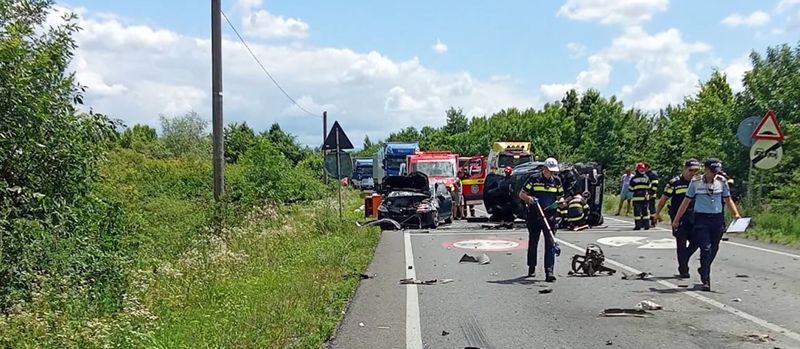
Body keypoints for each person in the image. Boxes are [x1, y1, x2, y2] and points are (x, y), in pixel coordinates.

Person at [673, 158, 741, 292]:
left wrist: (736, 214)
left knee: (714, 248)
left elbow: (728, 199)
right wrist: (676, 220)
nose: (715, 174)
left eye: (717, 171)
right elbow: (686, 202)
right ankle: (706, 279)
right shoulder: (696, 182)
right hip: (701, 219)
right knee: (705, 248)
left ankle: (703, 268)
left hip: (717, 219)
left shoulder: (722, 182)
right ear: (706, 170)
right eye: (712, 171)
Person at [519, 157, 564, 282]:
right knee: (534, 241)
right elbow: (522, 194)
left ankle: (549, 271)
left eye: (554, 171)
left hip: (550, 214)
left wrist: (560, 202)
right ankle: (532, 266)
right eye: (551, 171)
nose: (553, 173)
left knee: (550, 242)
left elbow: (560, 196)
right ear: (544, 169)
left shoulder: (557, 181)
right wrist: (530, 199)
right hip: (534, 214)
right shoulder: (534, 179)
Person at [655, 159, 700, 278]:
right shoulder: (675, 182)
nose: (693, 173)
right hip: (678, 218)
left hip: (695, 217)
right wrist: (657, 213)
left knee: (697, 241)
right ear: (684, 169)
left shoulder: (699, 182)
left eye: (696, 171)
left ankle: (684, 258)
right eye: (690, 170)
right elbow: (664, 199)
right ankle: (683, 269)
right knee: (681, 243)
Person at [628, 162, 652, 230]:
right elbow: (649, 187)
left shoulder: (634, 179)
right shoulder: (647, 178)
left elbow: (630, 189)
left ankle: (638, 226)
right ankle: (646, 226)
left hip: (636, 198)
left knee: (637, 213)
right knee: (645, 212)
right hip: (645, 198)